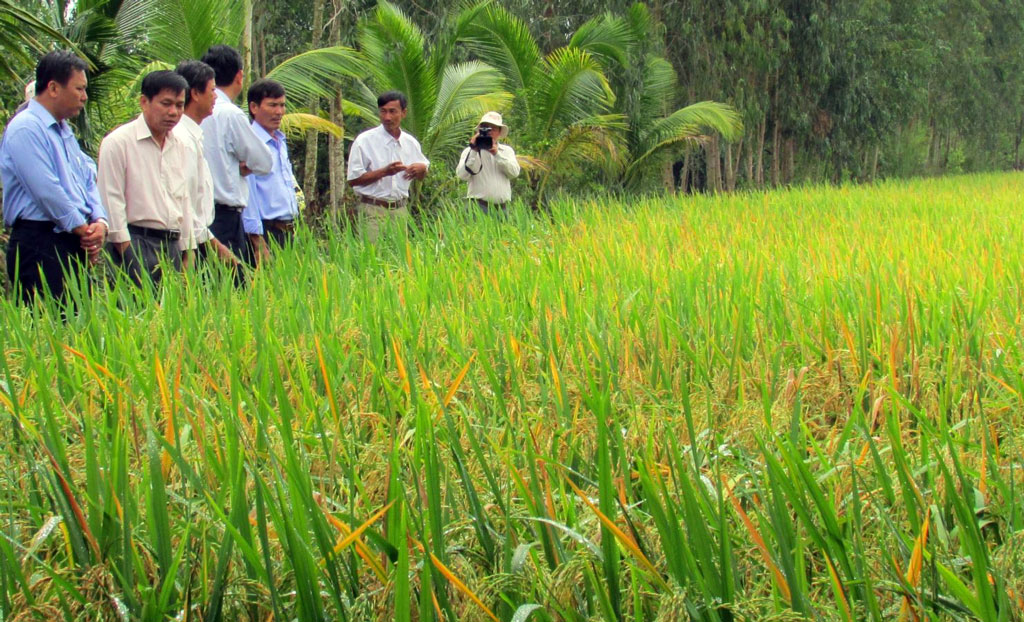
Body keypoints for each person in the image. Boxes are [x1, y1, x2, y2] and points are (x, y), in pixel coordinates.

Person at [0, 51, 108, 305]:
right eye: (79, 89)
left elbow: (87, 177)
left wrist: (99, 221)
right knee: (49, 326)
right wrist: (83, 229)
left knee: (78, 330)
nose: (84, 97)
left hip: (70, 238)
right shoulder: (26, 128)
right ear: (53, 88)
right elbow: (46, 190)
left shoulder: (63, 131)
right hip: (41, 241)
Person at [98, 70, 194, 286]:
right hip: (134, 244)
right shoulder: (118, 143)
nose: (173, 112)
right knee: (136, 314)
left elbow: (184, 200)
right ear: (144, 102)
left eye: (179, 105)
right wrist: (128, 257)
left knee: (172, 317)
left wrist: (188, 253)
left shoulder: (180, 145)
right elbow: (111, 201)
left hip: (172, 246)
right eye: (166, 103)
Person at [199, 44, 272, 265]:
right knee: (231, 287)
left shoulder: (190, 111)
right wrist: (240, 166)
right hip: (224, 215)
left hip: (197, 215)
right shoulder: (230, 114)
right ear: (239, 76)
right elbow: (264, 162)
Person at [174, 59, 240, 269]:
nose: (215, 97)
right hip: (190, 242)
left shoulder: (194, 135)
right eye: (212, 91)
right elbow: (184, 202)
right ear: (195, 94)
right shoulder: (181, 139)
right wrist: (210, 245)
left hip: (201, 237)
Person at [347, 91, 429, 242]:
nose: (387, 117)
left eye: (392, 111)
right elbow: (353, 179)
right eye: (383, 111)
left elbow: (422, 174)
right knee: (371, 258)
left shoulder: (410, 143)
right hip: (372, 209)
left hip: (400, 210)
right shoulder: (364, 141)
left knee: (399, 260)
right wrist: (384, 172)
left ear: (403, 113)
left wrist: (422, 170)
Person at [245, 79, 298, 259]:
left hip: (288, 229)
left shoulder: (279, 141)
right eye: (272, 105)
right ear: (254, 107)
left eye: (282, 105)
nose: (279, 112)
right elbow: (249, 194)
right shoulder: (250, 143)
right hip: (266, 230)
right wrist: (258, 242)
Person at [456, 111, 520, 213]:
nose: (489, 132)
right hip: (477, 206)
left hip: (502, 209)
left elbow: (514, 173)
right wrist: (474, 150)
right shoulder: (469, 151)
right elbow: (462, 175)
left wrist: (497, 154)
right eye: (486, 128)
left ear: (499, 132)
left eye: (493, 129)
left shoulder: (507, 151)